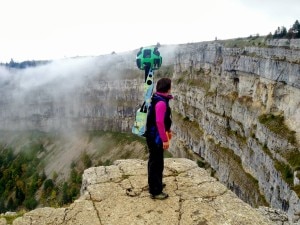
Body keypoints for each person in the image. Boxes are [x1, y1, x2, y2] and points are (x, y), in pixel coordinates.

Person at [145, 77, 173, 200]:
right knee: (157, 163)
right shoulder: (161, 103)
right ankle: (155, 191)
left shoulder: (158, 98)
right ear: (168, 88)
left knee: (154, 161)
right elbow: (159, 122)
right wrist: (165, 139)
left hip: (153, 135)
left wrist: (168, 130)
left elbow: (164, 120)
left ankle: (155, 183)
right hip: (155, 137)